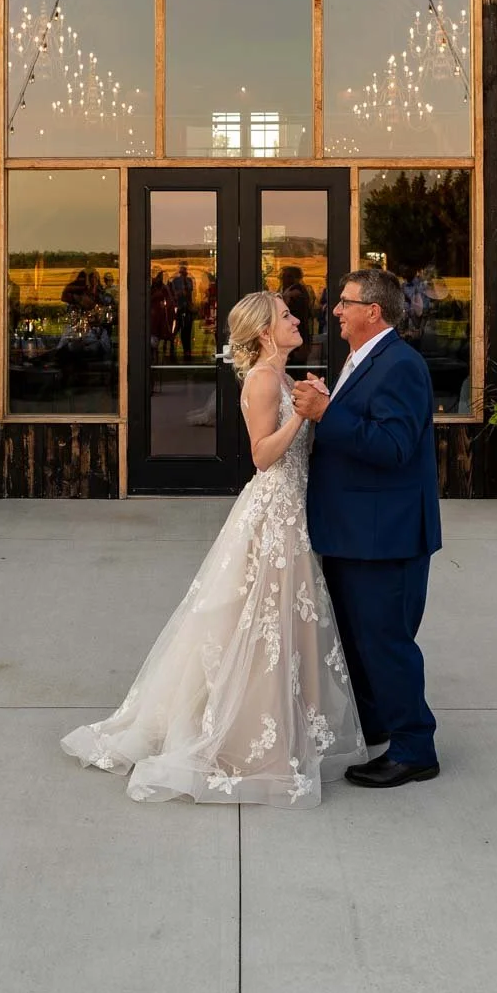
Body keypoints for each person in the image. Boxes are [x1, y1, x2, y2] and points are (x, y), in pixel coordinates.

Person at [61, 291, 366, 806]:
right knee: (256, 623)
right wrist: (304, 417)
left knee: (275, 624)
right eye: (288, 316)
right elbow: (262, 455)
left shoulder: (287, 376)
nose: (298, 321)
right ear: (266, 330)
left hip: (293, 514)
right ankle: (241, 735)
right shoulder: (267, 379)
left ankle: (275, 724)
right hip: (272, 514)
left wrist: (314, 403)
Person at [292, 268, 441, 790]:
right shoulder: (364, 357)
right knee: (359, 639)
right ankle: (376, 723)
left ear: (372, 312)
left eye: (345, 302)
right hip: (357, 531)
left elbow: (393, 448)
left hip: (387, 536)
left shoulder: (401, 364)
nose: (336, 310)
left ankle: (414, 748)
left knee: (386, 641)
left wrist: (325, 411)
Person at [279, 265, 312, 365]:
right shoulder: (287, 290)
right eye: (283, 276)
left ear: (297, 278)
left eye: (288, 276)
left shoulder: (297, 292)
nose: (284, 279)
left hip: (296, 337)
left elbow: (301, 317)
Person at [169, 261, 195, 362]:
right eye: (182, 268)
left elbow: (190, 292)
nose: (183, 270)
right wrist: (180, 293)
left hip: (187, 309)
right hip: (179, 309)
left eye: (185, 268)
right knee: (175, 330)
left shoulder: (189, 280)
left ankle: (187, 351)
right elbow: (174, 294)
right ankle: (172, 350)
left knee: (187, 331)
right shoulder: (175, 280)